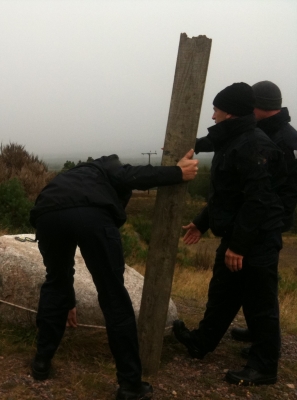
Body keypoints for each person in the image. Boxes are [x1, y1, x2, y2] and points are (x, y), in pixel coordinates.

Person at [29, 149, 199, 400]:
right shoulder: (110, 166)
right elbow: (135, 176)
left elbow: (63, 275)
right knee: (113, 297)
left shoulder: (72, 175)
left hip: (47, 214)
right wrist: (178, 172)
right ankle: (130, 385)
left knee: (56, 281)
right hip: (93, 216)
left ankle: (41, 363)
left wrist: (68, 299)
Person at [174, 83, 286, 386]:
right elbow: (227, 195)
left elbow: (258, 200)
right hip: (239, 234)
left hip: (256, 239)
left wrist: (239, 246)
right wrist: (201, 222)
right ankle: (202, 342)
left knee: (259, 303)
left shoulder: (253, 145)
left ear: (230, 113)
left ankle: (263, 368)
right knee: (223, 293)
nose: (212, 116)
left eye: (216, 110)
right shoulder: (234, 139)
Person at [230, 81, 297, 346]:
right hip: (266, 219)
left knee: (262, 290)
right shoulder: (275, 132)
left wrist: (269, 221)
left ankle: (264, 357)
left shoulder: (281, 140)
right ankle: (258, 332)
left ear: (259, 106)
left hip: (268, 221)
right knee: (254, 285)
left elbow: (278, 189)